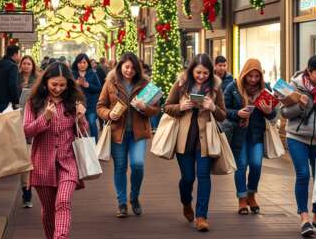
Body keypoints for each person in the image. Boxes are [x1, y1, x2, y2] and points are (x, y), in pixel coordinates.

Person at [24, 62, 88, 239]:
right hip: (42, 165)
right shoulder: (34, 102)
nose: (58, 88)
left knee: (63, 202)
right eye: (54, 84)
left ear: (68, 84)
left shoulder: (73, 103)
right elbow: (27, 131)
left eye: (62, 85)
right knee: (49, 209)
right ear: (46, 82)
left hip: (68, 162)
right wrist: (45, 118)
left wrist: (81, 118)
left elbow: (84, 132)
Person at [164, 54, 227, 232]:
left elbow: (223, 114)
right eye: (198, 72)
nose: (201, 76)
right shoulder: (181, 83)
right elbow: (167, 106)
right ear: (191, 70)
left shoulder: (215, 87)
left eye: (205, 73)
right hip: (184, 138)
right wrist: (180, 107)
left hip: (205, 138)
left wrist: (213, 107)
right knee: (188, 178)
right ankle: (186, 202)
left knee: (204, 176)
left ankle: (201, 216)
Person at [96, 52, 158, 218]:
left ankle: (135, 196)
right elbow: (100, 106)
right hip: (118, 133)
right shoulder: (110, 83)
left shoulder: (146, 84)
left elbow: (156, 109)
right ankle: (122, 202)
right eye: (126, 67)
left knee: (138, 164)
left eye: (132, 68)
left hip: (138, 133)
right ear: (120, 66)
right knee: (120, 168)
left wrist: (144, 107)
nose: (129, 71)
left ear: (137, 68)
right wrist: (109, 114)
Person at [279, 55, 316, 237]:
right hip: (297, 137)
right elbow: (284, 113)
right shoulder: (293, 86)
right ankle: (304, 218)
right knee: (303, 174)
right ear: (308, 72)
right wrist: (300, 106)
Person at [223, 58, 277, 215]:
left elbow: (273, 113)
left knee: (256, 164)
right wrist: (237, 113)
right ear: (244, 74)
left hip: (256, 134)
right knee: (241, 165)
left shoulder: (265, 88)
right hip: (238, 134)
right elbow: (224, 110)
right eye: (250, 76)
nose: (253, 80)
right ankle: (242, 199)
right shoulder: (233, 87)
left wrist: (269, 111)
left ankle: (251, 193)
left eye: (256, 76)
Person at [18, 55, 39, 209]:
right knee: (23, 159)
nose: (26, 66)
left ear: (32, 66)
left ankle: (27, 193)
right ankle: (26, 191)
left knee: (28, 160)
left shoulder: (38, 81)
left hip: (32, 122)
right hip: (16, 120)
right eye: (24, 63)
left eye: (28, 64)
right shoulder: (14, 79)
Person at [72, 53, 103, 138]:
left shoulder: (92, 73)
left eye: (84, 62)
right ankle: (81, 145)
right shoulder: (72, 74)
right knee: (79, 124)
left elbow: (99, 88)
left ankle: (94, 145)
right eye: (80, 62)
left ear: (87, 63)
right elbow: (67, 88)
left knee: (92, 122)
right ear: (76, 63)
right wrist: (76, 84)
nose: (82, 64)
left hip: (91, 104)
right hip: (77, 104)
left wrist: (88, 85)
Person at [0, 45, 21, 112]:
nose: (20, 57)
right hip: (8, 104)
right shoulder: (13, 66)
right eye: (19, 55)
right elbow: (12, 85)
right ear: (15, 54)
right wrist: (16, 102)